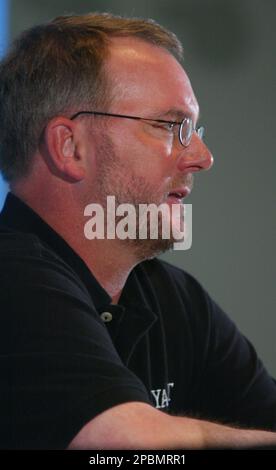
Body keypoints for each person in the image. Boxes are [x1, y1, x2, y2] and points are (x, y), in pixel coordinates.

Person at [0, 12, 275, 450]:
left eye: (194, 130)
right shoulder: (11, 279)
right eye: (169, 126)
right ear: (69, 147)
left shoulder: (176, 300)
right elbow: (123, 446)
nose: (202, 157)